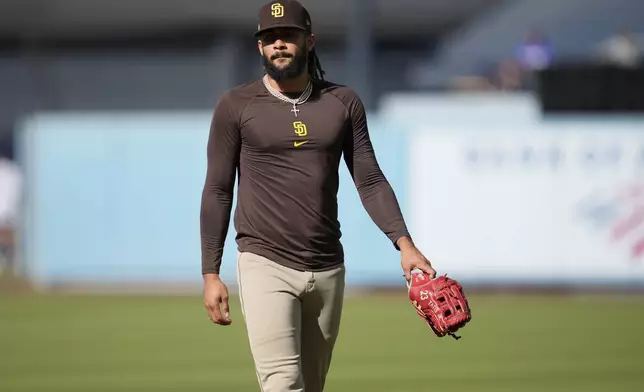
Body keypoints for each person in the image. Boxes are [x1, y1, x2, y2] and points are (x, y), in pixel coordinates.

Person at [200, 1, 437, 391]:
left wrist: (404, 244)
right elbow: (218, 189)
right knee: (283, 382)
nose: (278, 44)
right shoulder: (236, 106)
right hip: (265, 261)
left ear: (308, 41)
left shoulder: (342, 103)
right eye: (269, 38)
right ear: (260, 47)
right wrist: (211, 272)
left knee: (311, 386)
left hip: (327, 265)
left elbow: (370, 179)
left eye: (287, 36)